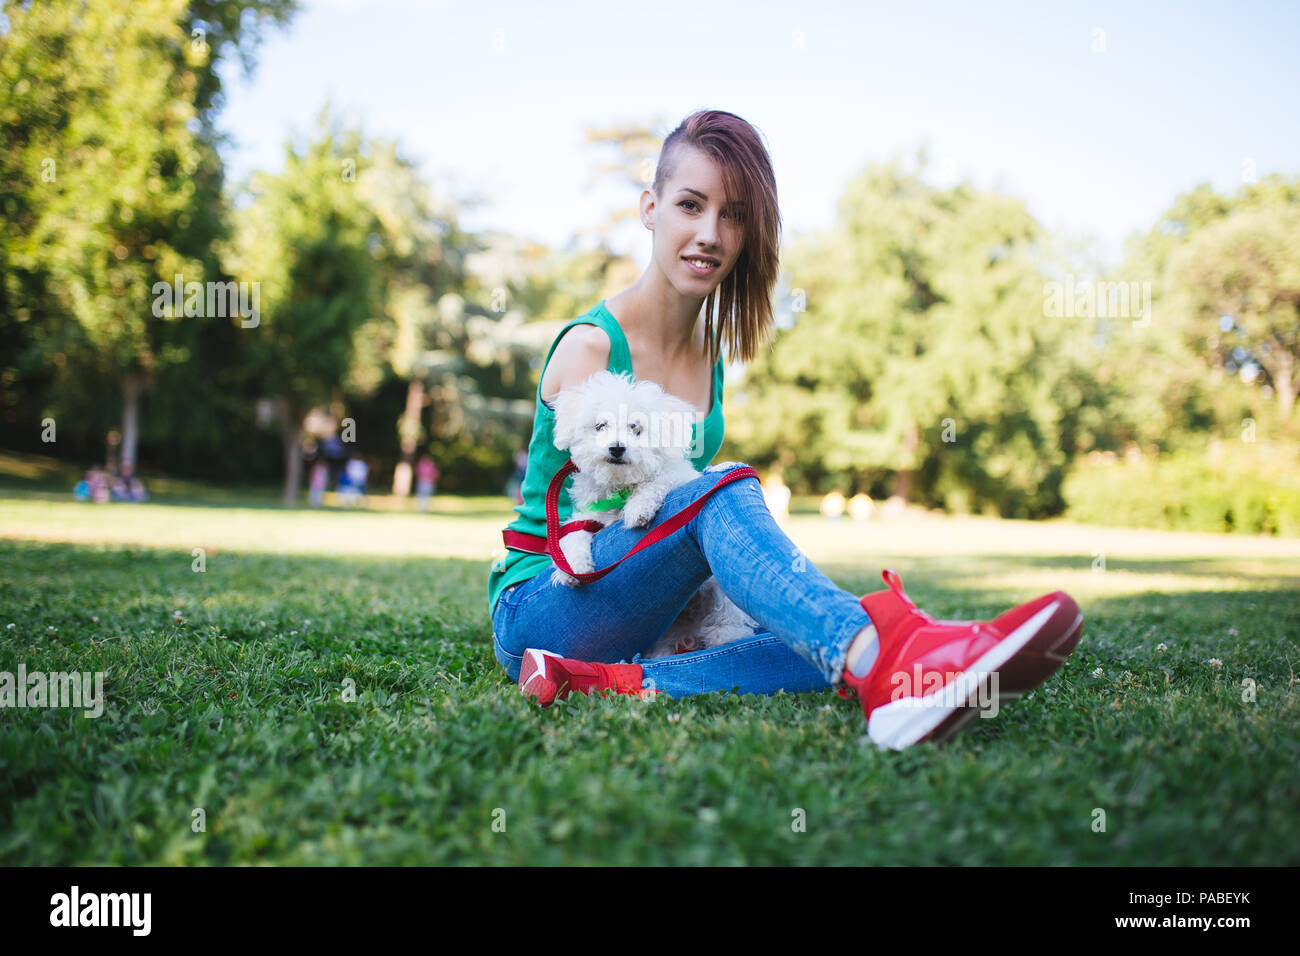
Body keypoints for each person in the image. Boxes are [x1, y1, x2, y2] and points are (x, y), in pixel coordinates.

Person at [486, 110, 1082, 750]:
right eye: (691, 205)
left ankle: (602, 681)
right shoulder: (590, 348)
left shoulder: (710, 358)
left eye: (734, 214)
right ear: (650, 208)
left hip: (639, 604)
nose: (710, 233)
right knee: (723, 489)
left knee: (804, 633)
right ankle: (902, 658)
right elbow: (653, 511)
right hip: (547, 602)